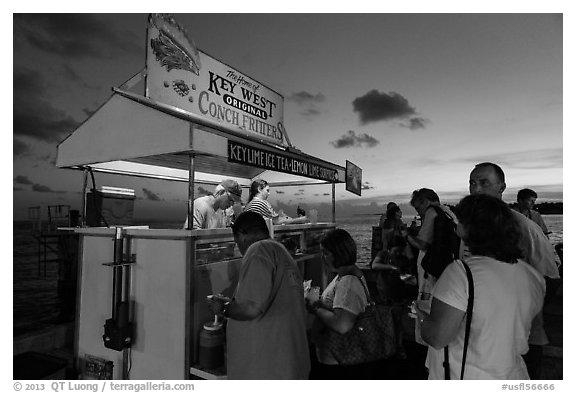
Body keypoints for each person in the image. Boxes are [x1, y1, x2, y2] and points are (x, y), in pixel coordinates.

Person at [414, 194, 545, 379]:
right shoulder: (532, 276)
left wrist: (421, 317)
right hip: (512, 375)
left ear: (470, 227)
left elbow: (438, 337)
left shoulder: (461, 273)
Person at [467, 162, 559, 379]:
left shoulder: (522, 228)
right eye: (472, 183)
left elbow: (550, 278)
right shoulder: (471, 228)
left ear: (501, 187)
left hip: (519, 339)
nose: (476, 189)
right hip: (480, 337)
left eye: (484, 183)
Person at [206, 211, 310, 379]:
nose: (239, 247)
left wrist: (222, 308)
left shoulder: (258, 250)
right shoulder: (280, 251)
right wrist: (233, 304)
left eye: (236, 241)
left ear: (242, 234)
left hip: (268, 369)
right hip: (288, 364)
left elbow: (251, 308)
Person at [306, 229, 374, 379]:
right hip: (337, 357)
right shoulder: (348, 275)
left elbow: (342, 325)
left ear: (338, 253)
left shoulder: (348, 282)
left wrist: (315, 307)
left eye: (326, 253)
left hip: (338, 359)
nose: (323, 258)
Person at [405, 188, 458, 300]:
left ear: (425, 202)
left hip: (430, 272)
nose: (418, 212)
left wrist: (406, 235)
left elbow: (422, 245)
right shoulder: (447, 212)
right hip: (447, 268)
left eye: (418, 208)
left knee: (427, 305)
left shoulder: (431, 212)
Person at [244, 179, 309, 224]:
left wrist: (284, 217)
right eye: (267, 190)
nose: (269, 193)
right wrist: (300, 220)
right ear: (259, 189)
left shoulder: (250, 204)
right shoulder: (261, 203)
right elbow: (277, 222)